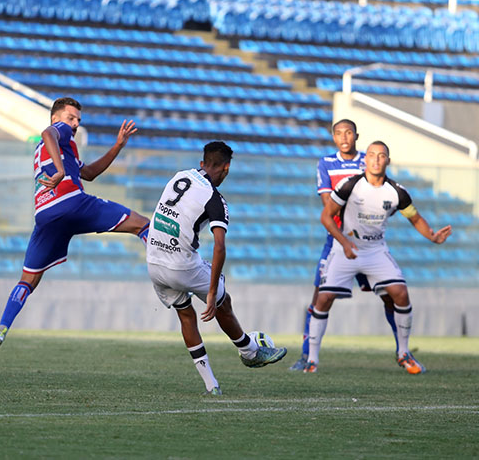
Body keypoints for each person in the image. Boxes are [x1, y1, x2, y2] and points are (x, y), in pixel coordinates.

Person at [0, 97, 151, 366]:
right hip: (71, 202)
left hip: (45, 215)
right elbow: (48, 132)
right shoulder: (59, 133)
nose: (76, 124)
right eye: (71, 118)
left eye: (78, 120)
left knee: (27, 281)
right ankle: (168, 269)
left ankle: (0, 329)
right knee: (141, 223)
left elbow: (89, 173)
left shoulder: (61, 149)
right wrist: (60, 171)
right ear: (57, 118)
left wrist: (117, 146)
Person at [146, 141, 287, 395]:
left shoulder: (180, 176)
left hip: (154, 260)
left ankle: (211, 385)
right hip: (181, 266)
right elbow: (220, 247)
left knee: (186, 315)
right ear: (226, 169)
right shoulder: (215, 198)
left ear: (202, 163)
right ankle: (249, 351)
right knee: (223, 299)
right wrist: (211, 292)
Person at [305, 141, 452, 374]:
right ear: (365, 160)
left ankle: (403, 353)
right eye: (372, 155)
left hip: (375, 251)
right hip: (345, 248)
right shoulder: (349, 185)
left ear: (388, 161)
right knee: (324, 298)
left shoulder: (397, 192)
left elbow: (414, 218)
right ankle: (312, 360)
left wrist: (433, 236)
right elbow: (326, 217)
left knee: (400, 293)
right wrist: (343, 242)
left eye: (381, 155)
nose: (375, 159)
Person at [289, 119, 399, 371]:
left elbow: (385, 196)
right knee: (319, 298)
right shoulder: (326, 163)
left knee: (392, 297)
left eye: (348, 132)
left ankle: (402, 352)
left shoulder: (370, 159)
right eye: (339, 133)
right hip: (337, 240)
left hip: (369, 242)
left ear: (356, 135)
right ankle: (307, 356)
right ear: (333, 137)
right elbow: (328, 204)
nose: (344, 137)